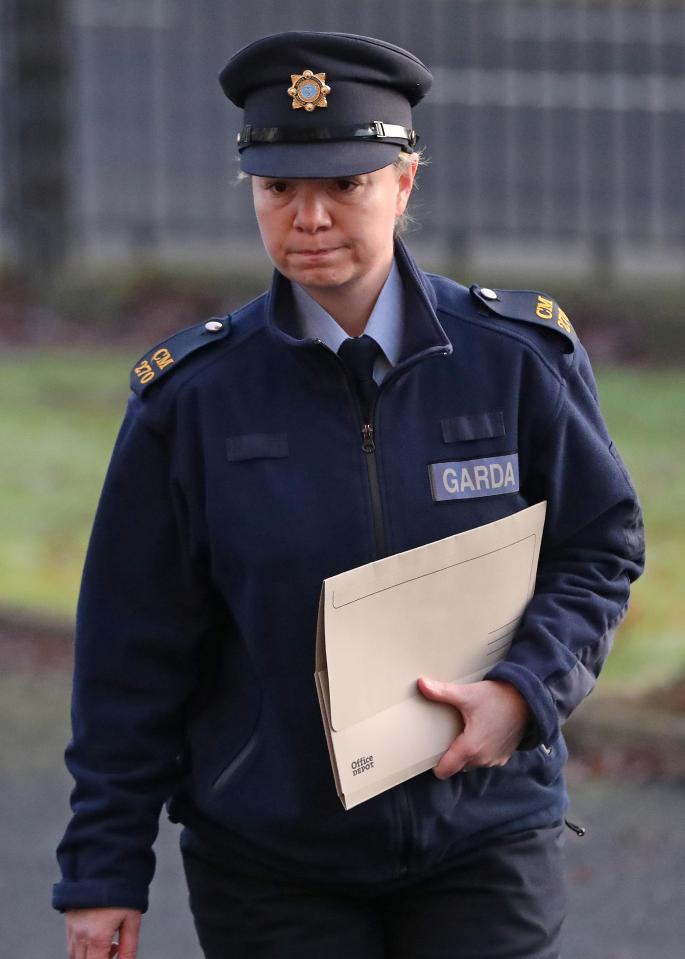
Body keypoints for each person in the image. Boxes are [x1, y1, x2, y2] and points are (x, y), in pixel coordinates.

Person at [53, 31, 644, 959]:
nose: (310, 216)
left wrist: (523, 692)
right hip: (271, 859)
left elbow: (598, 547)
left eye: (345, 184)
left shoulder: (517, 361)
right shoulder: (191, 398)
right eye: (279, 188)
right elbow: (131, 646)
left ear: (404, 184)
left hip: (484, 835)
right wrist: (102, 868)